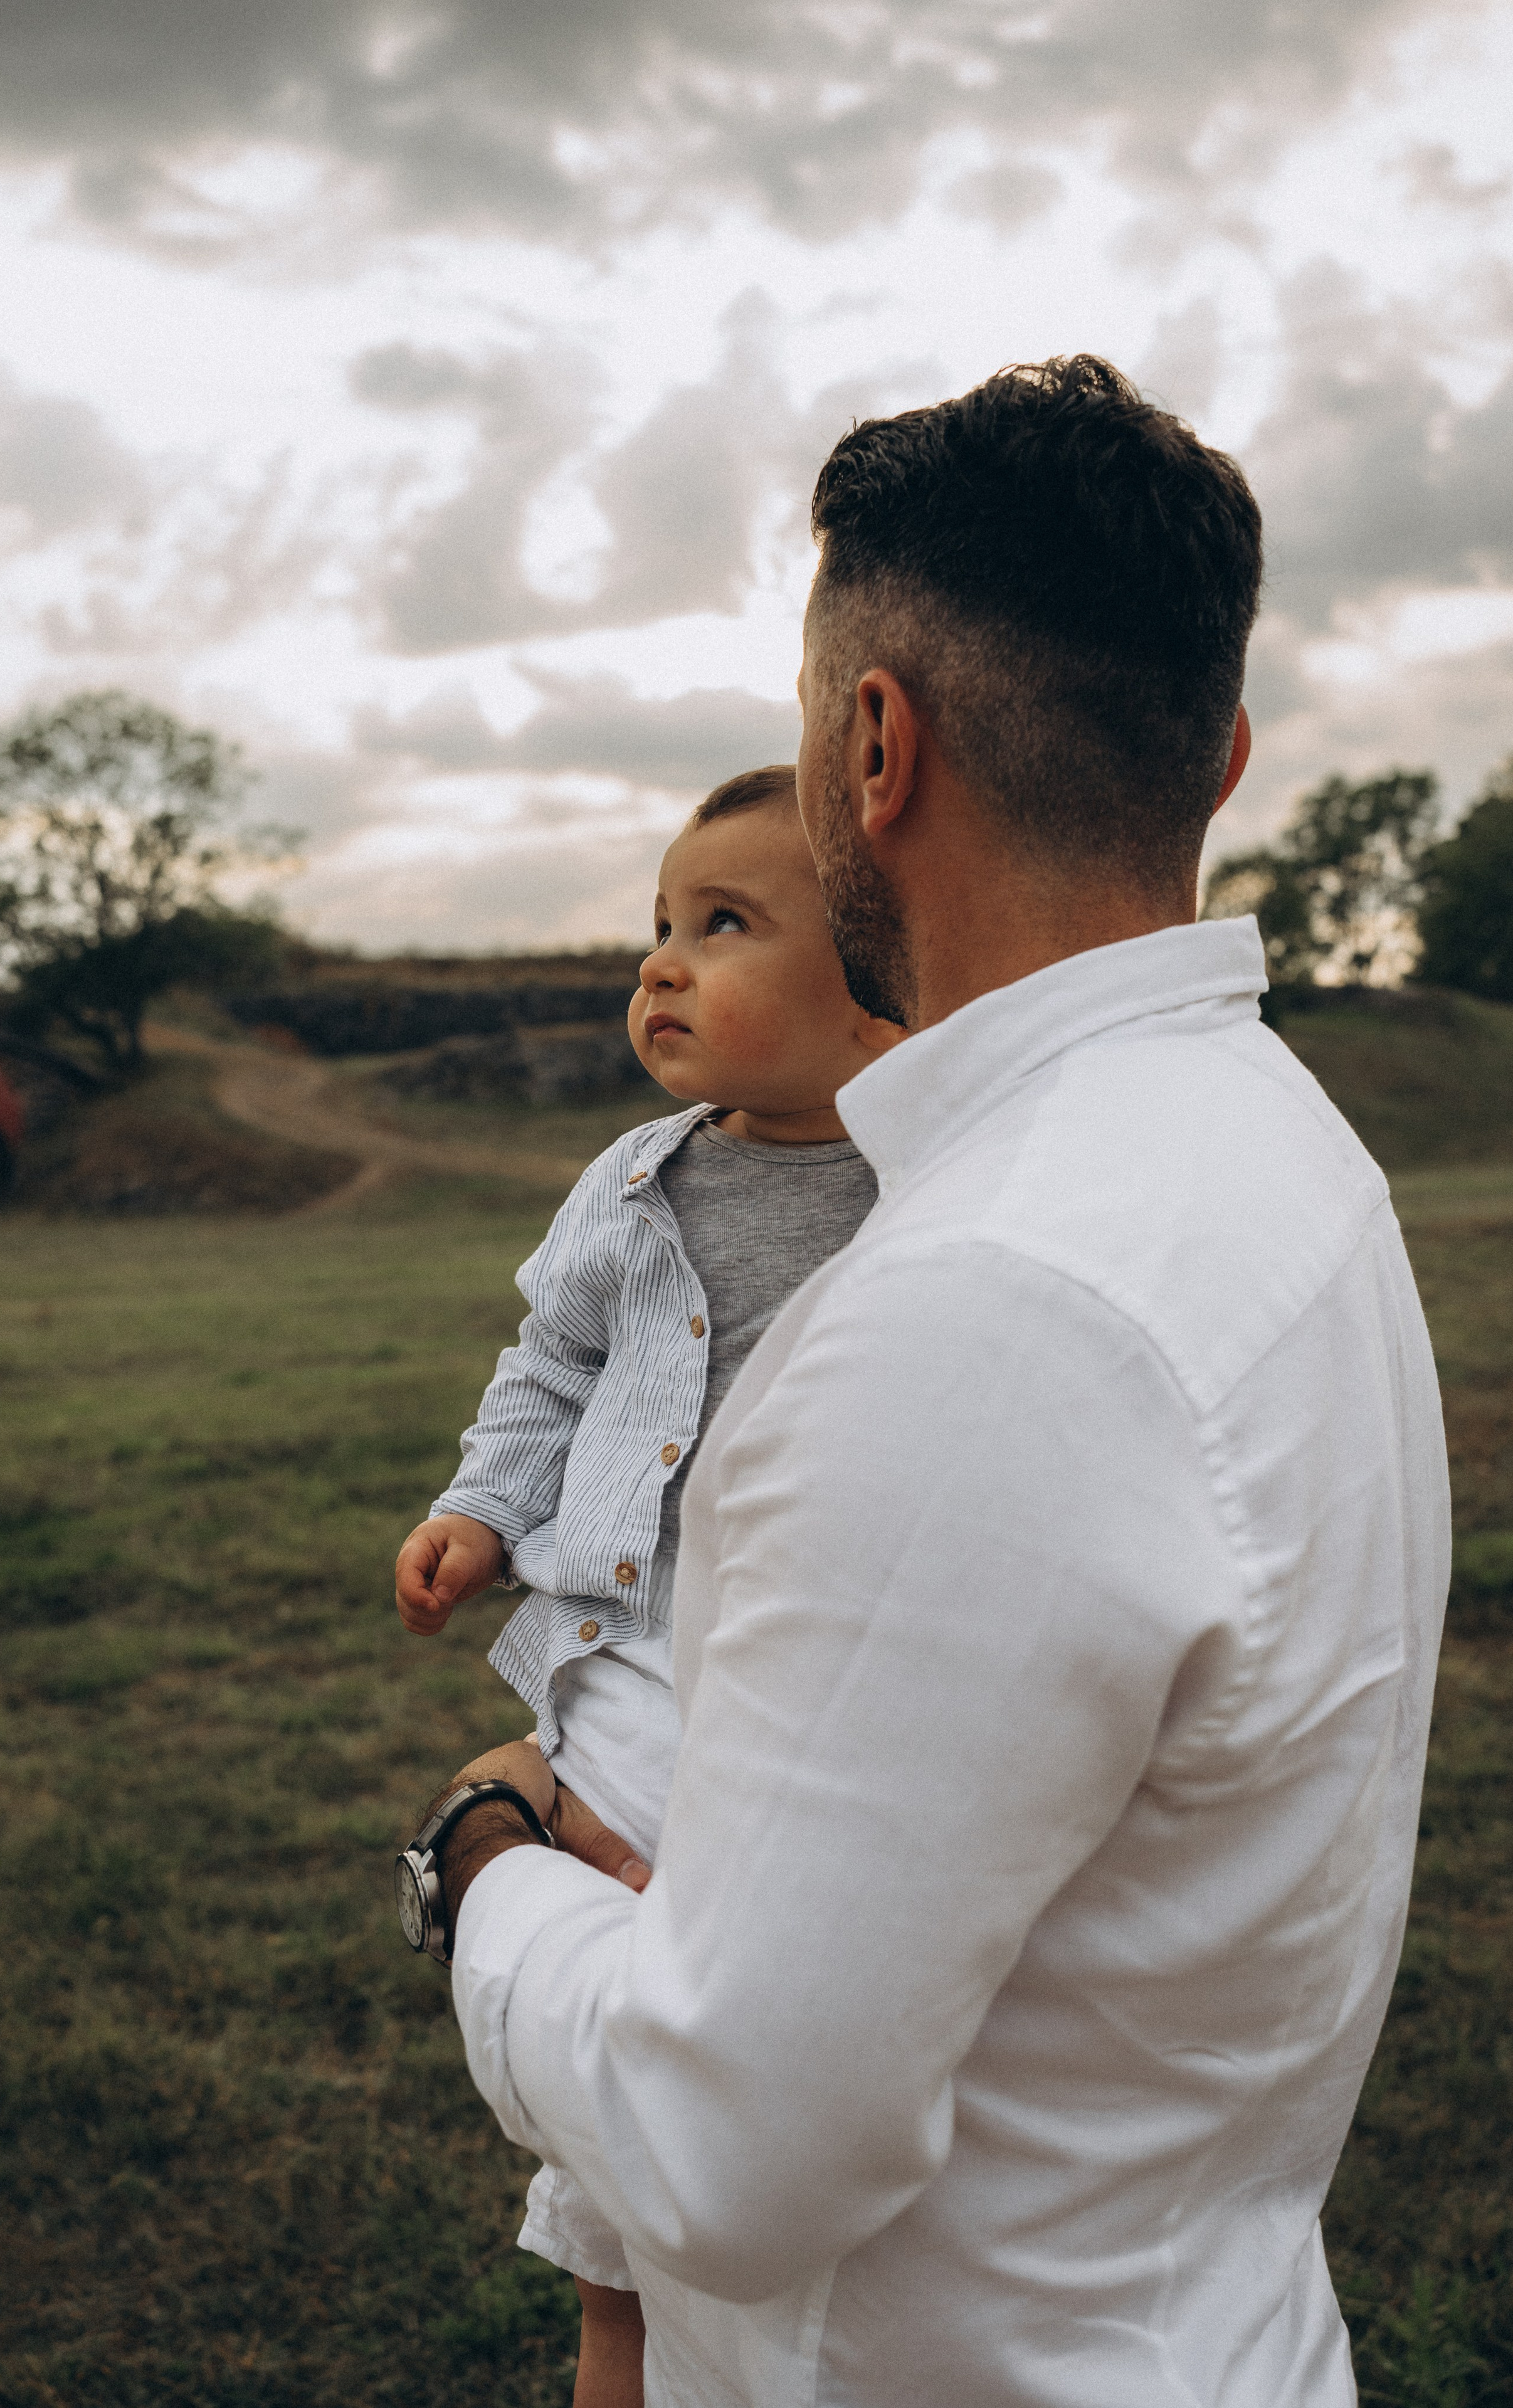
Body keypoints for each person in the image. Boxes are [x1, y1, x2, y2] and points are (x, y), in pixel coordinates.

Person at [426, 357, 1452, 2406]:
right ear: (1222, 753)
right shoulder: (1288, 1158)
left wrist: (479, 1864)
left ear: (873, 743)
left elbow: (732, 2150)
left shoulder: (981, 1300)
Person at [394, 764, 900, 2408]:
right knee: (616, 2258)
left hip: (793, 1708)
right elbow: (549, 1368)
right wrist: (482, 1509)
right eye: (659, 928)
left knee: (773, 2181)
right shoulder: (631, 1185)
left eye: (726, 926)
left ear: (881, 978)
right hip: (621, 1700)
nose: (662, 967)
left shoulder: (920, 1192)